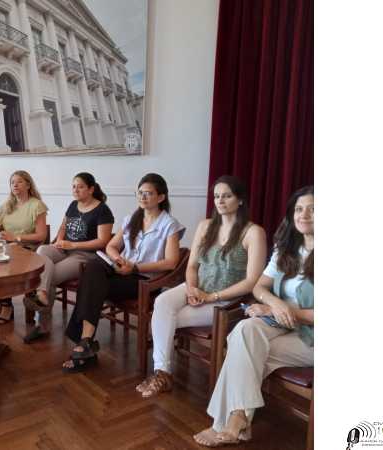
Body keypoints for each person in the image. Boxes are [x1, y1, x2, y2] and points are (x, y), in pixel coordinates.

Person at [193, 186, 314, 447]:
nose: (305, 215)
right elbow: (259, 286)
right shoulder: (287, 248)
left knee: (243, 349)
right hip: (283, 325)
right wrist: (274, 302)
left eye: (314, 209)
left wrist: (276, 310)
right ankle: (239, 418)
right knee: (245, 334)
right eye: (300, 209)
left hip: (312, 338)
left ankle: (229, 422)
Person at [137, 175, 266, 396]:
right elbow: (192, 266)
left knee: (166, 320)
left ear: (240, 200)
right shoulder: (205, 226)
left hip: (227, 300)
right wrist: (192, 289)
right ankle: (163, 373)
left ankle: (161, 374)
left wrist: (211, 297)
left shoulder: (253, 232)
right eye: (216, 196)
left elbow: (251, 282)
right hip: (198, 288)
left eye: (227, 196)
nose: (220, 201)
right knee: (162, 302)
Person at [60, 173, 185, 372]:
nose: (143, 197)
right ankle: (85, 343)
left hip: (143, 281)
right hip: (121, 271)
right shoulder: (131, 219)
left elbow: (171, 263)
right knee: (93, 266)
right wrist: (118, 260)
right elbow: (111, 246)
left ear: (161, 197)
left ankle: (84, 343)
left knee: (92, 282)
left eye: (148, 193)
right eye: (140, 193)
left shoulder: (169, 225)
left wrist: (134, 267)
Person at [23, 172, 114, 343]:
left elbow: (103, 241)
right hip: (64, 249)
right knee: (43, 249)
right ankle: (42, 293)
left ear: (91, 189)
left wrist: (73, 245)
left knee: (49, 275)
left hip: (85, 255)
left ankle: (42, 326)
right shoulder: (73, 205)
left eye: (80, 187)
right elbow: (63, 227)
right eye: (73, 186)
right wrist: (58, 241)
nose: (76, 190)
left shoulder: (102, 210)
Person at [0, 170, 48, 323]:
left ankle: (6, 306)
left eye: (19, 181)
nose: (15, 185)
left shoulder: (36, 205)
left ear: (28, 184)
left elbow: (41, 235)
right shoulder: (7, 205)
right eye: (12, 182)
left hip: (28, 249)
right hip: (6, 246)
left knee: (4, 262)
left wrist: (16, 237)